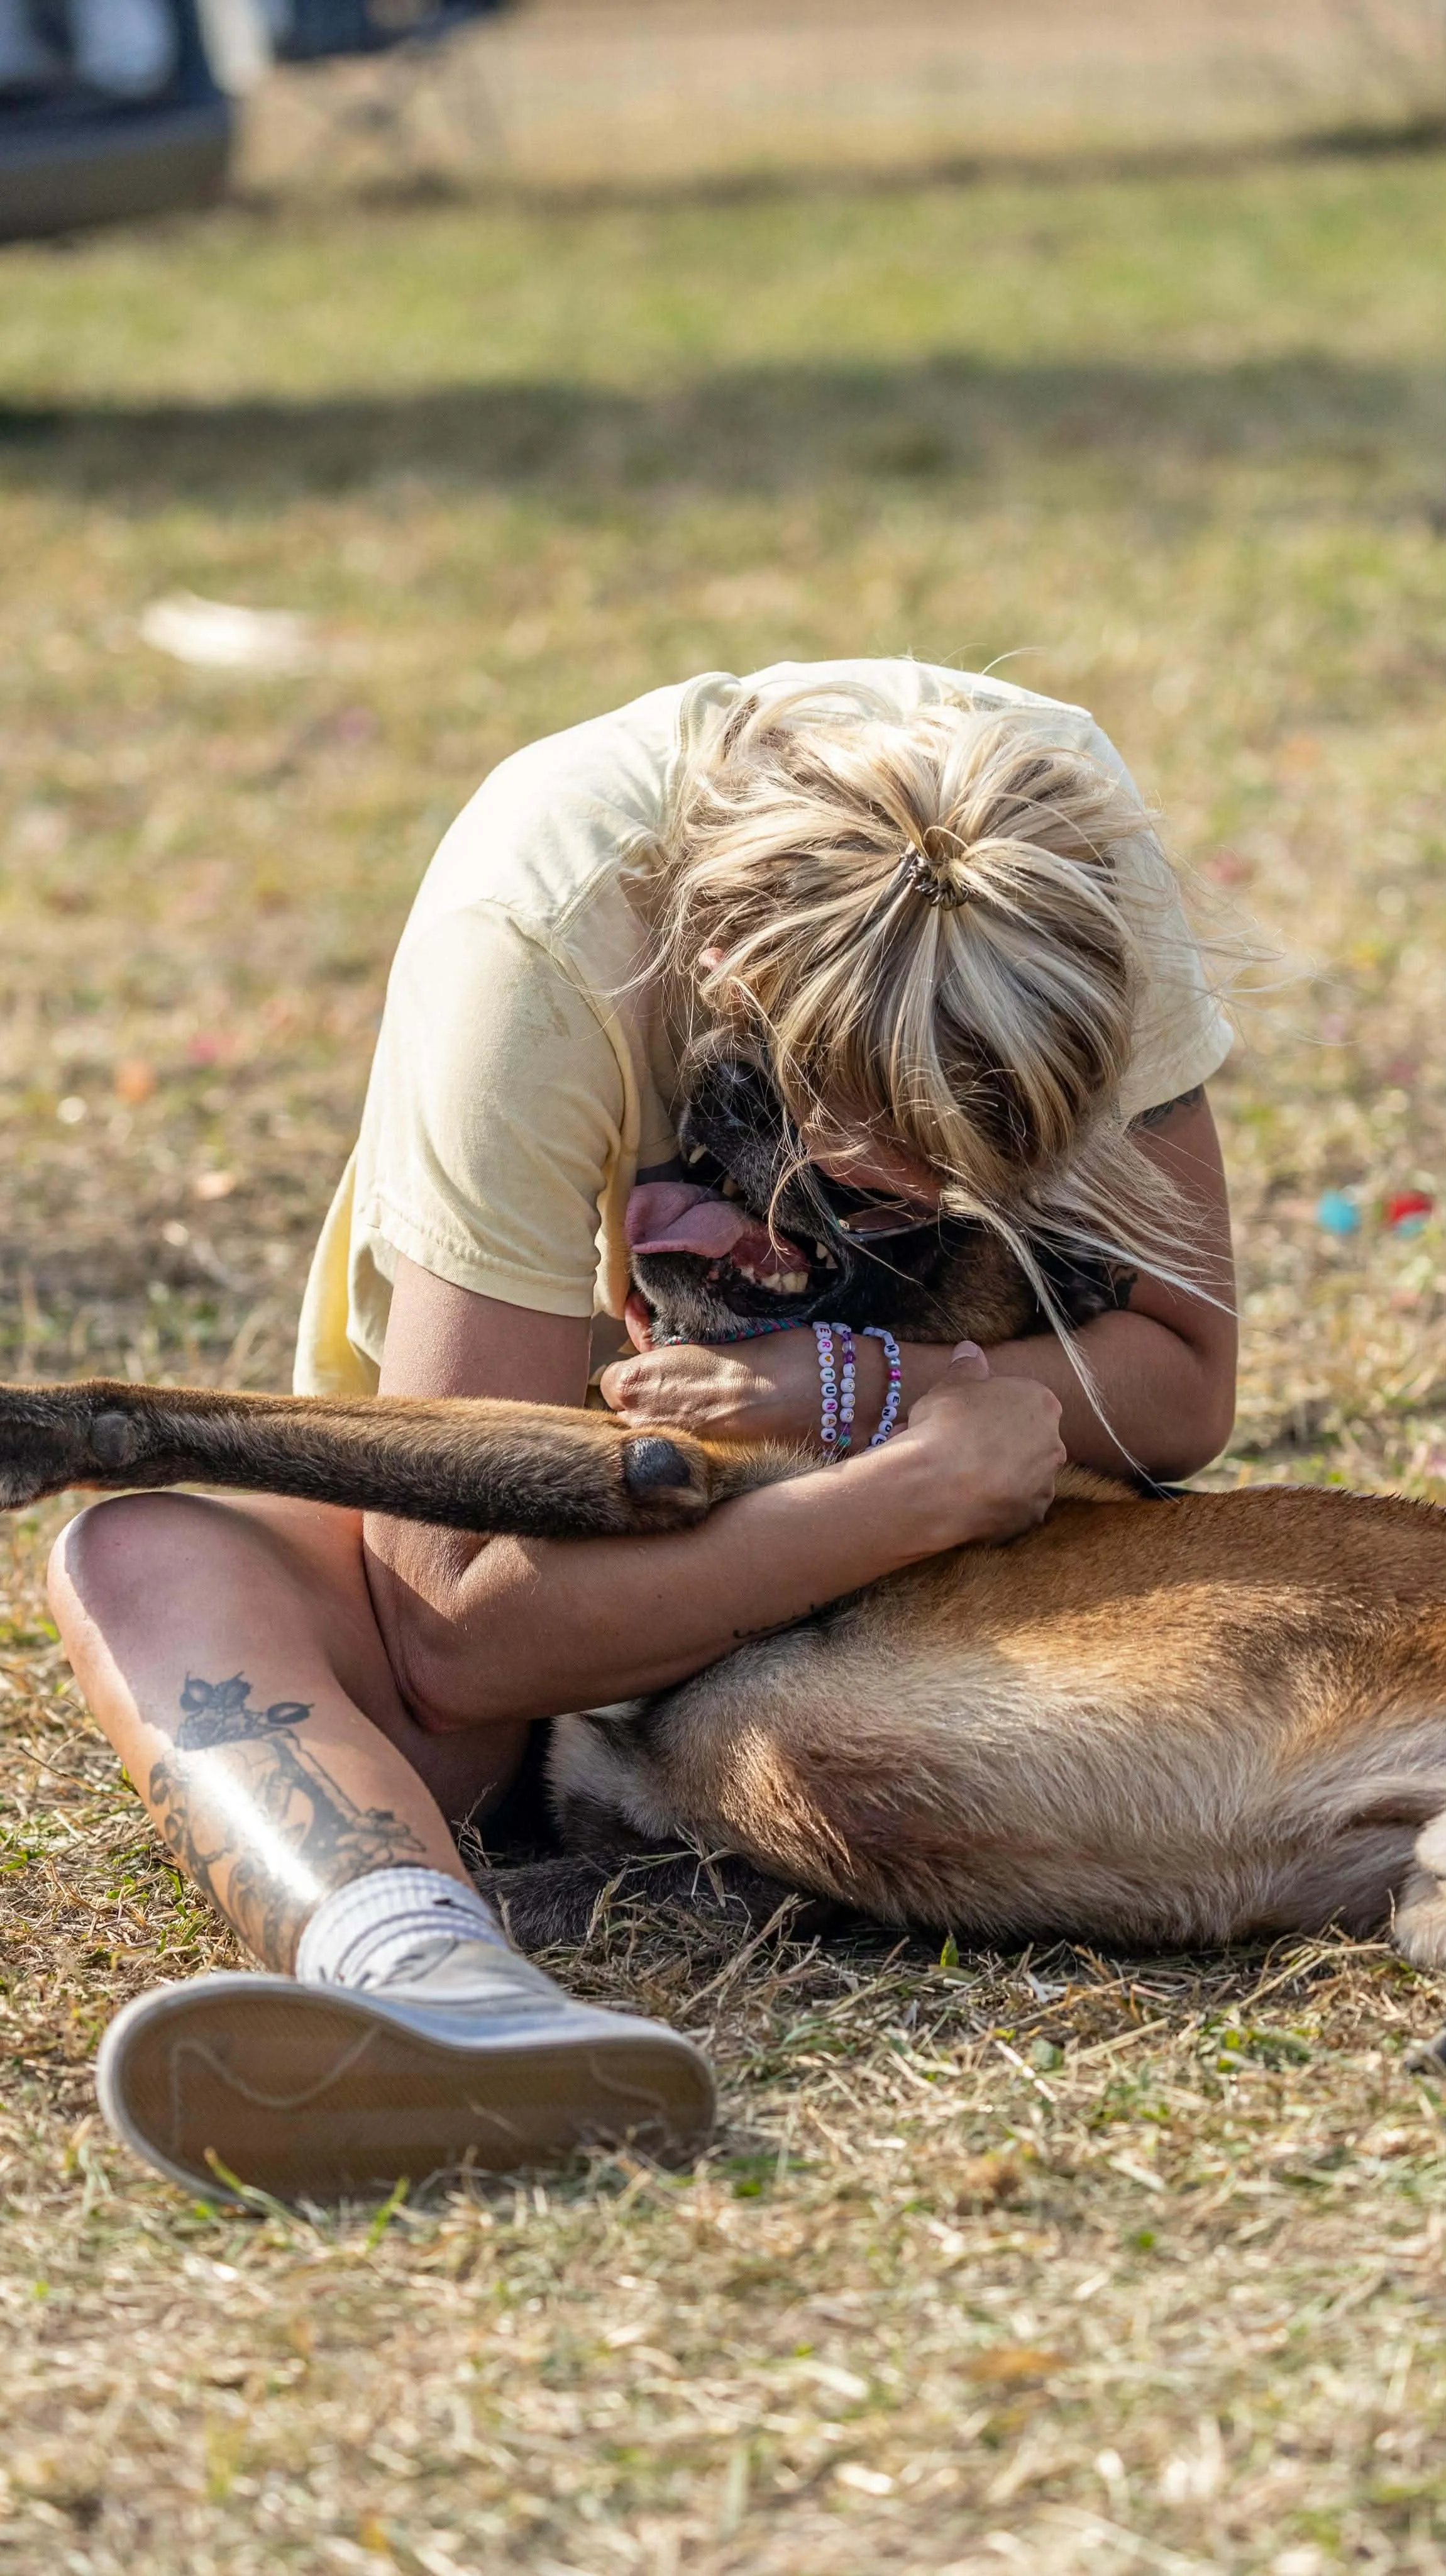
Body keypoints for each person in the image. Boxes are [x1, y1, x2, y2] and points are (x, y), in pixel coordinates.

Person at [50, 659, 1238, 2197]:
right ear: (730, 969)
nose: (938, 1203)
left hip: (875, 1578)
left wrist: (851, 1392)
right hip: (564, 1574)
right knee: (140, 1559)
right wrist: (917, 1483)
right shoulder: (537, 944)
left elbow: (1183, 1377)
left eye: (995, 1156)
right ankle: (427, 1984)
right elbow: (459, 1635)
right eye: (884, 1155)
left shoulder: (1061, 859)